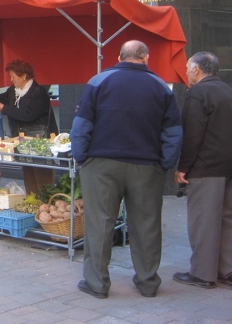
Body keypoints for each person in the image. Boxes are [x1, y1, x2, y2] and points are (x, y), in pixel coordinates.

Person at [70, 40, 182, 299]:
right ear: (146, 57)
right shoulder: (161, 87)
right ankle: (148, 282)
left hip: (101, 164)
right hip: (146, 165)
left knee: (100, 223)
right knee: (147, 225)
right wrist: (164, 164)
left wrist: (83, 158)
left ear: (119, 56)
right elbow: (173, 133)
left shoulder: (99, 81)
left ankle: (97, 284)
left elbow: (81, 126)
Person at [173, 52, 232, 290]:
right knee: (227, 216)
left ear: (196, 69)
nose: (185, 73)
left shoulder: (198, 93)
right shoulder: (231, 91)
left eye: (187, 68)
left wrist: (183, 167)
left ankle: (203, 273)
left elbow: (193, 134)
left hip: (208, 166)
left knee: (204, 218)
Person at [0, 60, 59, 194]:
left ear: (24, 76)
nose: (11, 79)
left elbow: (28, 115)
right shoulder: (13, 91)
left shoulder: (38, 93)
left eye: (13, 76)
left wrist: (4, 108)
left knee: (42, 173)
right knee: (28, 171)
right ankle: (33, 202)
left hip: (40, 141)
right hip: (22, 141)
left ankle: (47, 203)